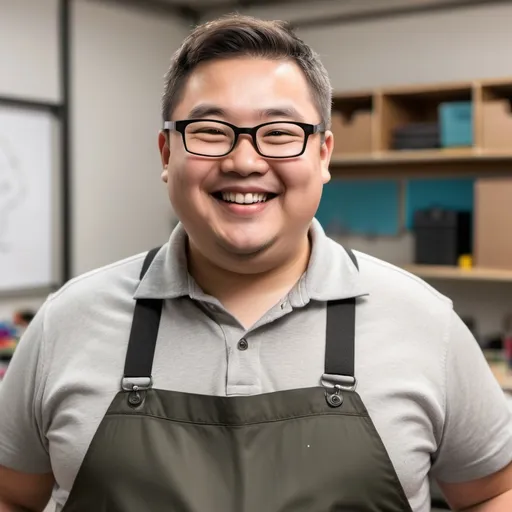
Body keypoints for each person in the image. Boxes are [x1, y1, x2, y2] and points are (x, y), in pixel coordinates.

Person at [0, 14, 511, 512]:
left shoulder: (425, 323)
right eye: (208, 130)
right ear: (165, 153)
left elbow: (494, 491)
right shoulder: (65, 323)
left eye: (281, 132)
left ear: (324, 154)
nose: (244, 161)